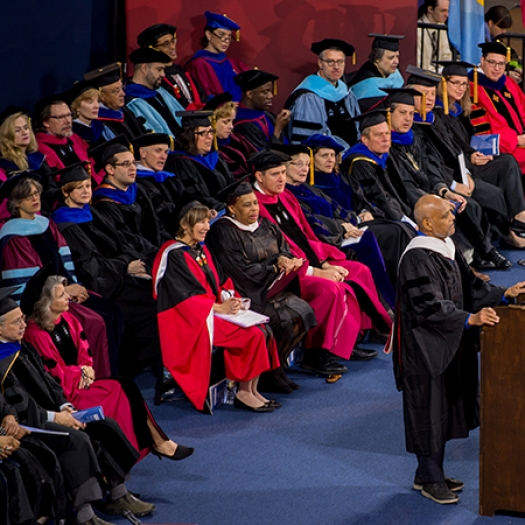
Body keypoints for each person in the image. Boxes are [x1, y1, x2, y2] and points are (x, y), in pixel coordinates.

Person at [391, 194, 525, 505]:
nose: (454, 219)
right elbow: (428, 306)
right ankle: (429, 477)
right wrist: (468, 318)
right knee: (428, 409)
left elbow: (471, 287)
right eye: (447, 217)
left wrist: (504, 293)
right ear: (427, 223)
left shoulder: (446, 248)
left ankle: (429, 472)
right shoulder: (417, 257)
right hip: (424, 348)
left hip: (447, 342)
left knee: (444, 407)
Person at [0, 286, 156, 525]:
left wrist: (64, 406)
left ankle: (117, 494)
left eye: (22, 319)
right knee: (77, 440)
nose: (23, 325)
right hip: (33, 422)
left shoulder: (22, 347)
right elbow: (20, 405)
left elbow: (49, 381)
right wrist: (54, 417)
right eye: (16, 322)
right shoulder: (3, 362)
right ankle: (85, 516)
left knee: (104, 425)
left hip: (53, 412)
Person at [22, 268, 194, 462]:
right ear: (47, 303)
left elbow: (84, 350)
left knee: (127, 387)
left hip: (81, 384)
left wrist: (86, 369)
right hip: (65, 396)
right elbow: (52, 374)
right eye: (61, 295)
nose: (67, 298)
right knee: (122, 391)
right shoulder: (36, 335)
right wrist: (80, 373)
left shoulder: (68, 319)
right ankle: (150, 446)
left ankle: (156, 443)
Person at [252, 149, 392, 366]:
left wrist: (324, 262)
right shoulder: (255, 207)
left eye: (282, 172)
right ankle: (317, 353)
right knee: (332, 289)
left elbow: (307, 234)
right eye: (275, 174)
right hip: (288, 272)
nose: (282, 179)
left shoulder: (286, 196)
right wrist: (317, 271)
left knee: (359, 270)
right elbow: (280, 250)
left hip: (311, 260)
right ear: (259, 176)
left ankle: (356, 337)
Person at [153, 201, 280, 413]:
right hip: (187, 322)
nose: (207, 226)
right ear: (184, 225)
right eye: (201, 222)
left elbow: (221, 281)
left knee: (263, 329)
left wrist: (231, 299)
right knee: (252, 336)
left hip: (209, 313)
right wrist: (218, 308)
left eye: (207, 221)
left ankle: (252, 388)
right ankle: (243, 393)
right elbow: (183, 297)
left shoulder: (200, 250)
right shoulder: (173, 255)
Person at [51, 162, 165, 389]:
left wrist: (142, 261)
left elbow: (121, 241)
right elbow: (89, 267)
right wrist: (125, 267)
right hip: (101, 283)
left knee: (157, 288)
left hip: (115, 273)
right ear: (66, 192)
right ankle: (152, 364)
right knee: (150, 301)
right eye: (79, 188)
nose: (86, 191)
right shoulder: (67, 224)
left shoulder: (90, 213)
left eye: (88, 185)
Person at [0, 171, 122, 379]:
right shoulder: (12, 237)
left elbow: (65, 260)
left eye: (37, 193)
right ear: (16, 202)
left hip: (62, 290)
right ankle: (96, 378)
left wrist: (74, 285)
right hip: (42, 302)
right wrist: (65, 291)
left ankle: (110, 375)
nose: (35, 198)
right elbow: (29, 282)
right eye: (28, 196)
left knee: (111, 310)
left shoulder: (47, 224)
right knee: (95, 321)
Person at [207, 180, 317, 393]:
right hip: (248, 292)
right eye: (247, 205)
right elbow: (240, 270)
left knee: (303, 313)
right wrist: (275, 267)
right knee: (281, 320)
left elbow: (284, 248)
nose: (254, 209)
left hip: (273, 289)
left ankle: (276, 369)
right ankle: (271, 373)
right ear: (231, 207)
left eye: (256, 203)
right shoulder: (223, 231)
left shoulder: (265, 223)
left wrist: (285, 259)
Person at [405, 65, 512, 270]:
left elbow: (445, 156)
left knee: (492, 188)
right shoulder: (411, 128)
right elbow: (424, 166)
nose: (428, 99)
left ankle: (488, 248)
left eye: (430, 93)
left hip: (446, 179)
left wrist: (462, 177)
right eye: (422, 94)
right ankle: (484, 251)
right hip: (426, 185)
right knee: (470, 204)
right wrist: (449, 187)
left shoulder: (434, 119)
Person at [277, 142, 395, 307]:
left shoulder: (307, 188)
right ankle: (383, 304)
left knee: (392, 230)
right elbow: (311, 222)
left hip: (335, 235)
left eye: (307, 164)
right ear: (285, 167)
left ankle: (389, 300)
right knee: (368, 242)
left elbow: (334, 207)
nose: (304, 169)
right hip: (325, 241)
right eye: (298, 164)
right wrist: (341, 228)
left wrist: (353, 220)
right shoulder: (288, 195)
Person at [300, 133, 416, 286]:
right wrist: (354, 219)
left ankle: (407, 281)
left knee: (402, 227)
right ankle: (396, 286)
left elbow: (360, 199)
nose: (330, 160)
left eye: (333, 155)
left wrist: (364, 211)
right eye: (324, 156)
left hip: (357, 222)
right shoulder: (311, 186)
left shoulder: (341, 178)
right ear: (312, 159)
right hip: (343, 231)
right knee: (394, 233)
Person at [435, 60, 525, 248]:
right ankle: (508, 232)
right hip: (458, 171)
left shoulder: (459, 110)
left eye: (464, 84)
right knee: (494, 192)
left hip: (470, 163)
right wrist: (470, 159)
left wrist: (477, 153)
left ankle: (519, 216)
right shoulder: (438, 114)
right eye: (455, 83)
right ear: (443, 83)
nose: (461, 88)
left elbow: (470, 141)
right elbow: (447, 151)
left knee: (507, 161)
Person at [90, 136, 169, 252]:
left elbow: (159, 222)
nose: (133, 168)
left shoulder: (140, 189)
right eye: (126, 164)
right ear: (110, 169)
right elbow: (126, 241)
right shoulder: (104, 203)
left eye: (133, 163)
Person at [286, 38, 360, 149]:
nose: (336, 67)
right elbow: (310, 137)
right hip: (324, 160)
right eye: (330, 62)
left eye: (340, 62)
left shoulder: (346, 93)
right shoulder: (308, 96)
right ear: (320, 63)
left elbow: (357, 126)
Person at [469, 41, 525, 173]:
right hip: (502, 149)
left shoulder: (508, 82)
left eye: (501, 64)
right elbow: (481, 139)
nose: (497, 68)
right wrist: (516, 140)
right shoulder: (473, 88)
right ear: (482, 60)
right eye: (492, 62)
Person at [165, 111, 234, 212]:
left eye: (211, 131)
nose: (210, 137)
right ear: (189, 136)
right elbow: (195, 196)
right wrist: (222, 208)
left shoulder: (215, 157)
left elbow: (231, 182)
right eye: (203, 133)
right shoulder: (180, 163)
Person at [0, 105, 53, 221]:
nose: (24, 133)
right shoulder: (5, 167)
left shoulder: (38, 159)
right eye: (17, 130)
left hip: (47, 213)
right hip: (22, 219)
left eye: (26, 127)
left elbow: (51, 189)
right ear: (7, 136)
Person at [137, 23, 205, 108]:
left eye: (173, 41)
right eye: (166, 44)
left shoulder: (183, 72)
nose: (173, 47)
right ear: (153, 49)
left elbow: (202, 98)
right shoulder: (154, 79)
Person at [185, 11, 249, 101]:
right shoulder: (198, 64)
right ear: (208, 35)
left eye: (229, 37)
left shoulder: (234, 63)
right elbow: (204, 96)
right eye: (221, 35)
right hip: (218, 113)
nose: (226, 41)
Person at [33, 96, 98, 180]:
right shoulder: (41, 149)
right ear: (46, 122)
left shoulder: (74, 138)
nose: (67, 121)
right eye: (61, 117)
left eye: (69, 115)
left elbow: (94, 166)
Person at [125, 46, 183, 136]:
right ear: (144, 68)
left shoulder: (161, 92)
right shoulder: (131, 101)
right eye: (159, 69)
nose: (163, 75)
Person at [132, 132, 181, 236]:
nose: (163, 157)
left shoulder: (169, 177)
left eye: (166, 152)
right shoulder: (136, 181)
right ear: (142, 152)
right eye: (158, 151)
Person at [84, 63, 146, 142]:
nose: (123, 94)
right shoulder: (97, 125)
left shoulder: (124, 111)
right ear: (100, 96)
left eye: (122, 88)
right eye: (116, 91)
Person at [233, 69, 290, 151]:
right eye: (265, 92)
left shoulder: (268, 116)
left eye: (270, 91)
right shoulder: (240, 123)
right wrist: (278, 129)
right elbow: (262, 157)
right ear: (250, 94)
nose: (270, 96)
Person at [347, 34, 405, 112]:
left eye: (397, 57)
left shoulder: (395, 75)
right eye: (391, 58)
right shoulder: (365, 84)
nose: (396, 62)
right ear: (377, 58)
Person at [207, 92, 255, 178]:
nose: (231, 126)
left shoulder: (238, 139)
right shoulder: (209, 149)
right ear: (212, 121)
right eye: (226, 122)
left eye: (232, 121)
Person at [66, 81, 107, 145]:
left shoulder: (99, 125)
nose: (97, 106)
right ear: (77, 106)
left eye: (97, 101)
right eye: (90, 102)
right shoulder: (73, 132)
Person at [417, 0, 452, 71]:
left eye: (448, 11)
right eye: (443, 11)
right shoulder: (418, 31)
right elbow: (422, 65)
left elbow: (447, 55)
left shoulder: (441, 26)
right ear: (430, 9)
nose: (447, 15)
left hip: (441, 75)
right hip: (425, 78)